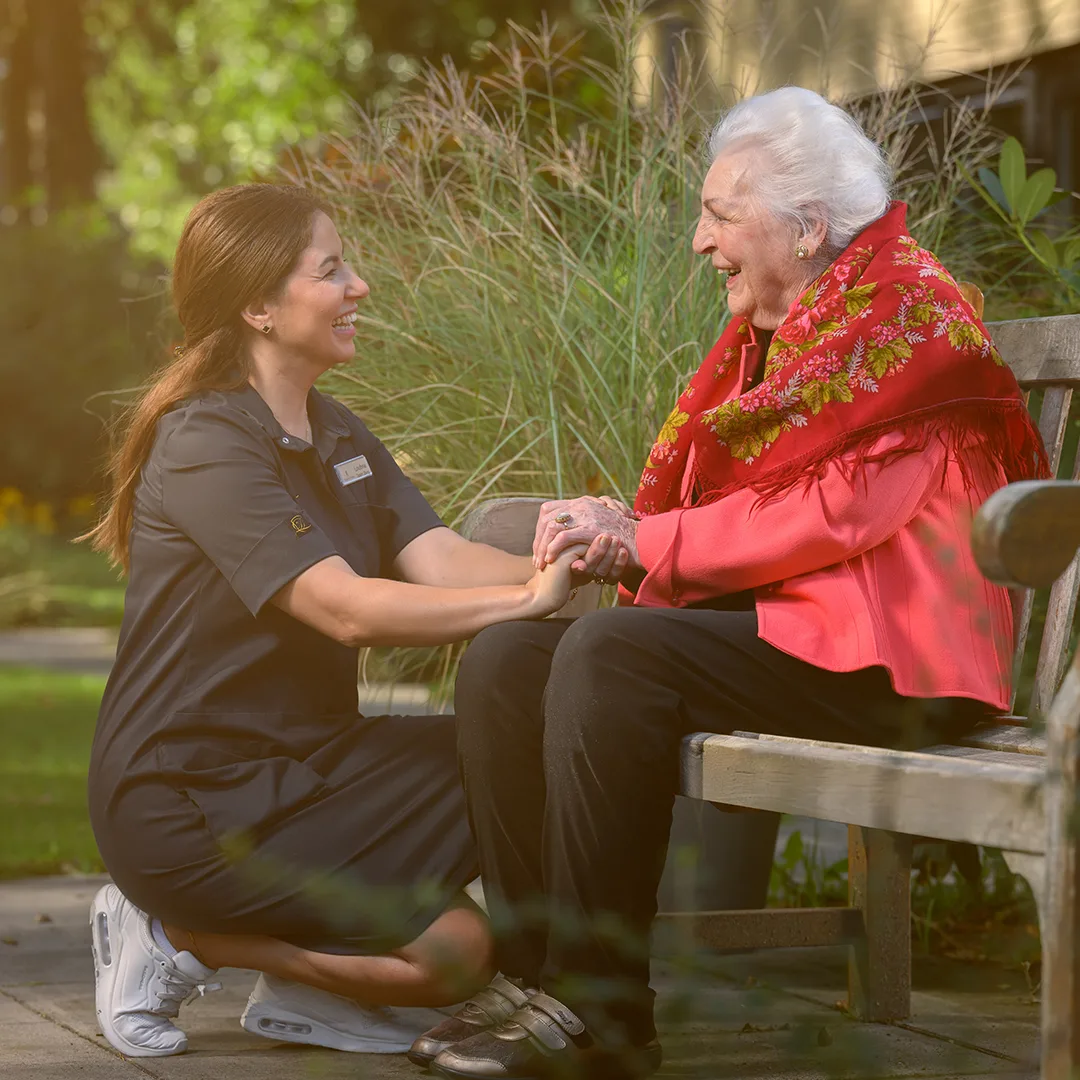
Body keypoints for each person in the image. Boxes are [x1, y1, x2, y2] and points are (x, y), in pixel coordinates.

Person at [409, 87, 1050, 1079]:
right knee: (506, 658)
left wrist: (647, 539)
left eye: (718, 215)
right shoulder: (786, 328)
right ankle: (534, 983)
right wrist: (618, 526)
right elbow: (744, 501)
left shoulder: (907, 314)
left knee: (611, 651)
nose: (702, 242)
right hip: (806, 633)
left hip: (904, 665)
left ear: (807, 224)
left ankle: (601, 1016)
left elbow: (834, 511)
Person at [82, 183, 626, 1059]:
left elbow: (439, 558)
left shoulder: (337, 433)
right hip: (191, 800)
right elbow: (343, 609)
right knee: (459, 926)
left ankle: (307, 986)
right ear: (259, 305)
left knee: (461, 946)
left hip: (316, 767)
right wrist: (528, 602)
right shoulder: (205, 442)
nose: (359, 287)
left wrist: (595, 563)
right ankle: (175, 934)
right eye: (332, 270)